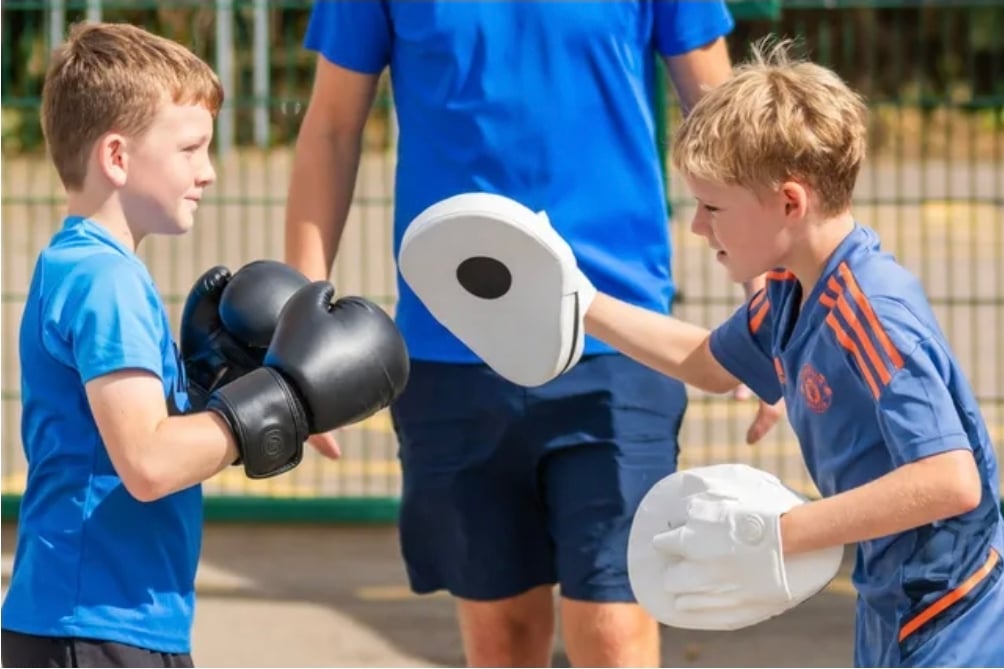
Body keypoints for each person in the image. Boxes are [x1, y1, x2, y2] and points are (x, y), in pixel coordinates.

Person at [443, 38, 1002, 667]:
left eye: (712, 207)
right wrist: (579, 299)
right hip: (897, 600)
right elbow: (705, 362)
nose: (698, 226)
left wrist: (777, 534)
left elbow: (950, 481)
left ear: (790, 202)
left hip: (955, 612)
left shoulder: (869, 311)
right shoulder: (793, 291)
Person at [284, 2, 784, 666]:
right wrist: (304, 325)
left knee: (615, 625)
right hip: (452, 340)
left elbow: (724, 116)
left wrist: (771, 298)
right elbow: (331, 129)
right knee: (502, 638)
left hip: (620, 337)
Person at [0, 22, 408, 668]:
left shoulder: (80, 265)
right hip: (95, 622)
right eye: (190, 149)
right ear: (117, 157)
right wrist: (282, 402)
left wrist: (200, 387)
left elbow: (122, 441)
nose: (209, 172)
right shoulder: (106, 280)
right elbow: (148, 462)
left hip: (100, 617)